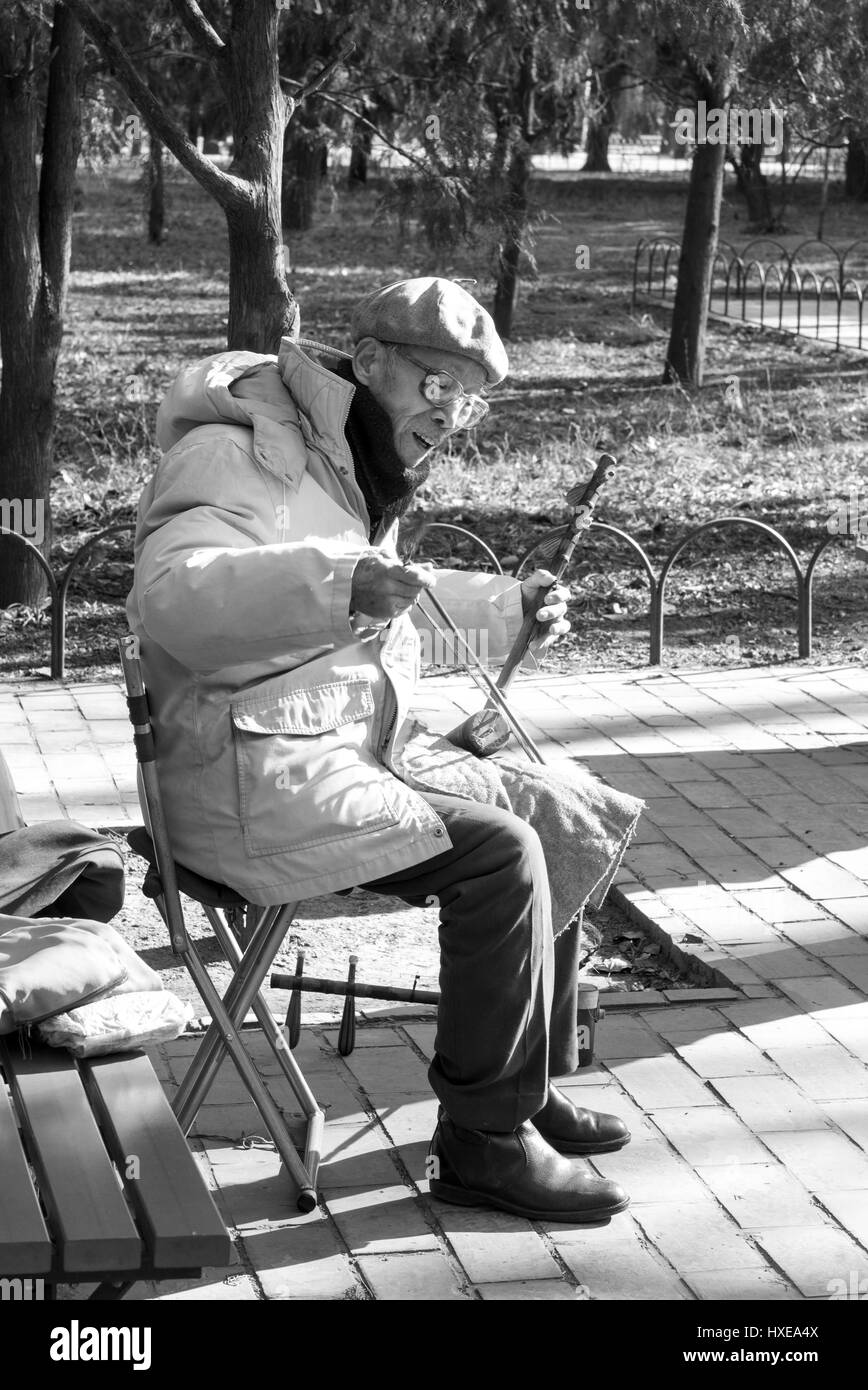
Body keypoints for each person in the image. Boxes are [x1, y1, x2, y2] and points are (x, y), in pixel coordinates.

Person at [127, 277, 637, 1223]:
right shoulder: (237, 451)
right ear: (367, 364)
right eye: (436, 387)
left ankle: (520, 1086)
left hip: (322, 754)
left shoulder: (344, 461)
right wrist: (335, 582)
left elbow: (384, 612)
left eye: (469, 400)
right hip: (243, 781)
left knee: (550, 799)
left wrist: (506, 610)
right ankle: (483, 1142)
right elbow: (172, 596)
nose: (450, 417)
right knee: (500, 855)